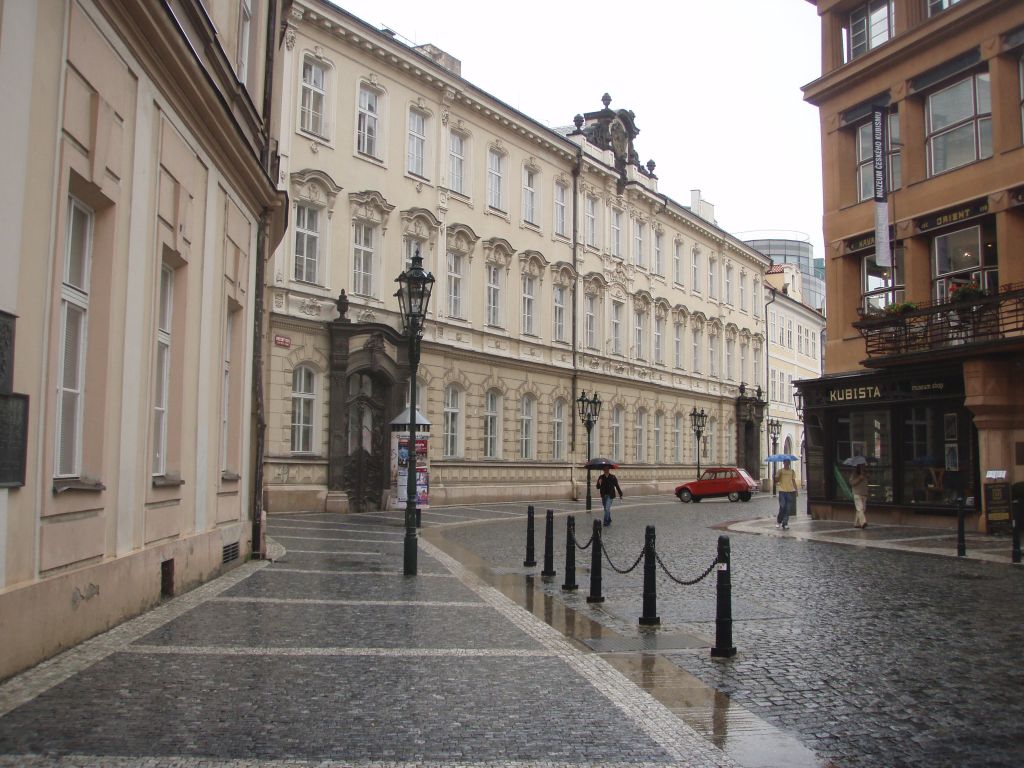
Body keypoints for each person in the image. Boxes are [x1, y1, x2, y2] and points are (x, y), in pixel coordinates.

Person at [774, 459, 798, 530]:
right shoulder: (780, 471)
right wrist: (777, 477)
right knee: (782, 507)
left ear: (789, 463)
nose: (786, 464)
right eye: (785, 463)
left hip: (790, 491)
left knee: (788, 509)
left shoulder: (792, 471)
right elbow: (776, 481)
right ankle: (779, 521)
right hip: (782, 491)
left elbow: (794, 481)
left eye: (788, 463)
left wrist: (796, 490)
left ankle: (785, 523)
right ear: (783, 463)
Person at [850, 463, 869, 529]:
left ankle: (856, 523)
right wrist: (859, 478)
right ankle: (863, 522)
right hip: (857, 493)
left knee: (862, 509)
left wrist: (867, 476)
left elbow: (867, 483)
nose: (863, 467)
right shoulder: (854, 474)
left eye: (864, 466)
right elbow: (851, 483)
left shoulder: (865, 474)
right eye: (862, 466)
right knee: (860, 508)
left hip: (864, 493)